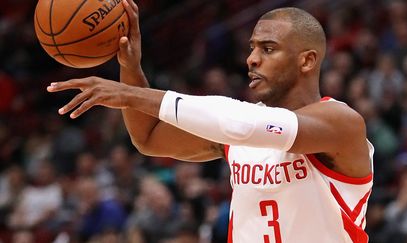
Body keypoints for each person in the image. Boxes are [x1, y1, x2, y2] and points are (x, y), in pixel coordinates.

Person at [47, 0, 374, 242]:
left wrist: (127, 95)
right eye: (251, 47)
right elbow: (148, 137)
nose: (252, 58)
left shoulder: (341, 123)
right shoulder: (237, 130)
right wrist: (131, 68)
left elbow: (244, 124)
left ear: (307, 60)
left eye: (268, 48)